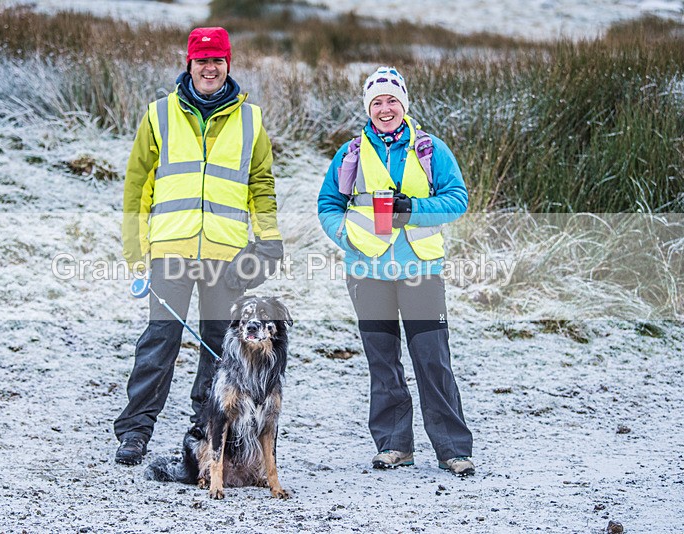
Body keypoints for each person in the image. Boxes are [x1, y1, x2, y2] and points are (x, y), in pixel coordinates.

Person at [115, 27, 283, 465]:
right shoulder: (159, 115)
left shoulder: (252, 120)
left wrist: (267, 240)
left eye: (218, 61)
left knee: (219, 347)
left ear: (229, 65)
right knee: (160, 340)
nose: (210, 68)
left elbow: (261, 185)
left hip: (225, 256)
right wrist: (136, 253)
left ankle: (204, 431)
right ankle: (135, 431)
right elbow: (137, 187)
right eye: (202, 60)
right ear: (188, 64)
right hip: (170, 249)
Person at [317, 67, 475, 475]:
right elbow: (327, 204)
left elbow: (458, 200)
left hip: (420, 269)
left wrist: (414, 210)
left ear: (404, 105)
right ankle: (394, 445)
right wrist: (346, 236)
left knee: (432, 360)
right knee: (382, 362)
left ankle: (453, 449)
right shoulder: (350, 153)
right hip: (367, 272)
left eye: (392, 101)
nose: (384, 109)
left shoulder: (429, 149)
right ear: (367, 108)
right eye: (376, 102)